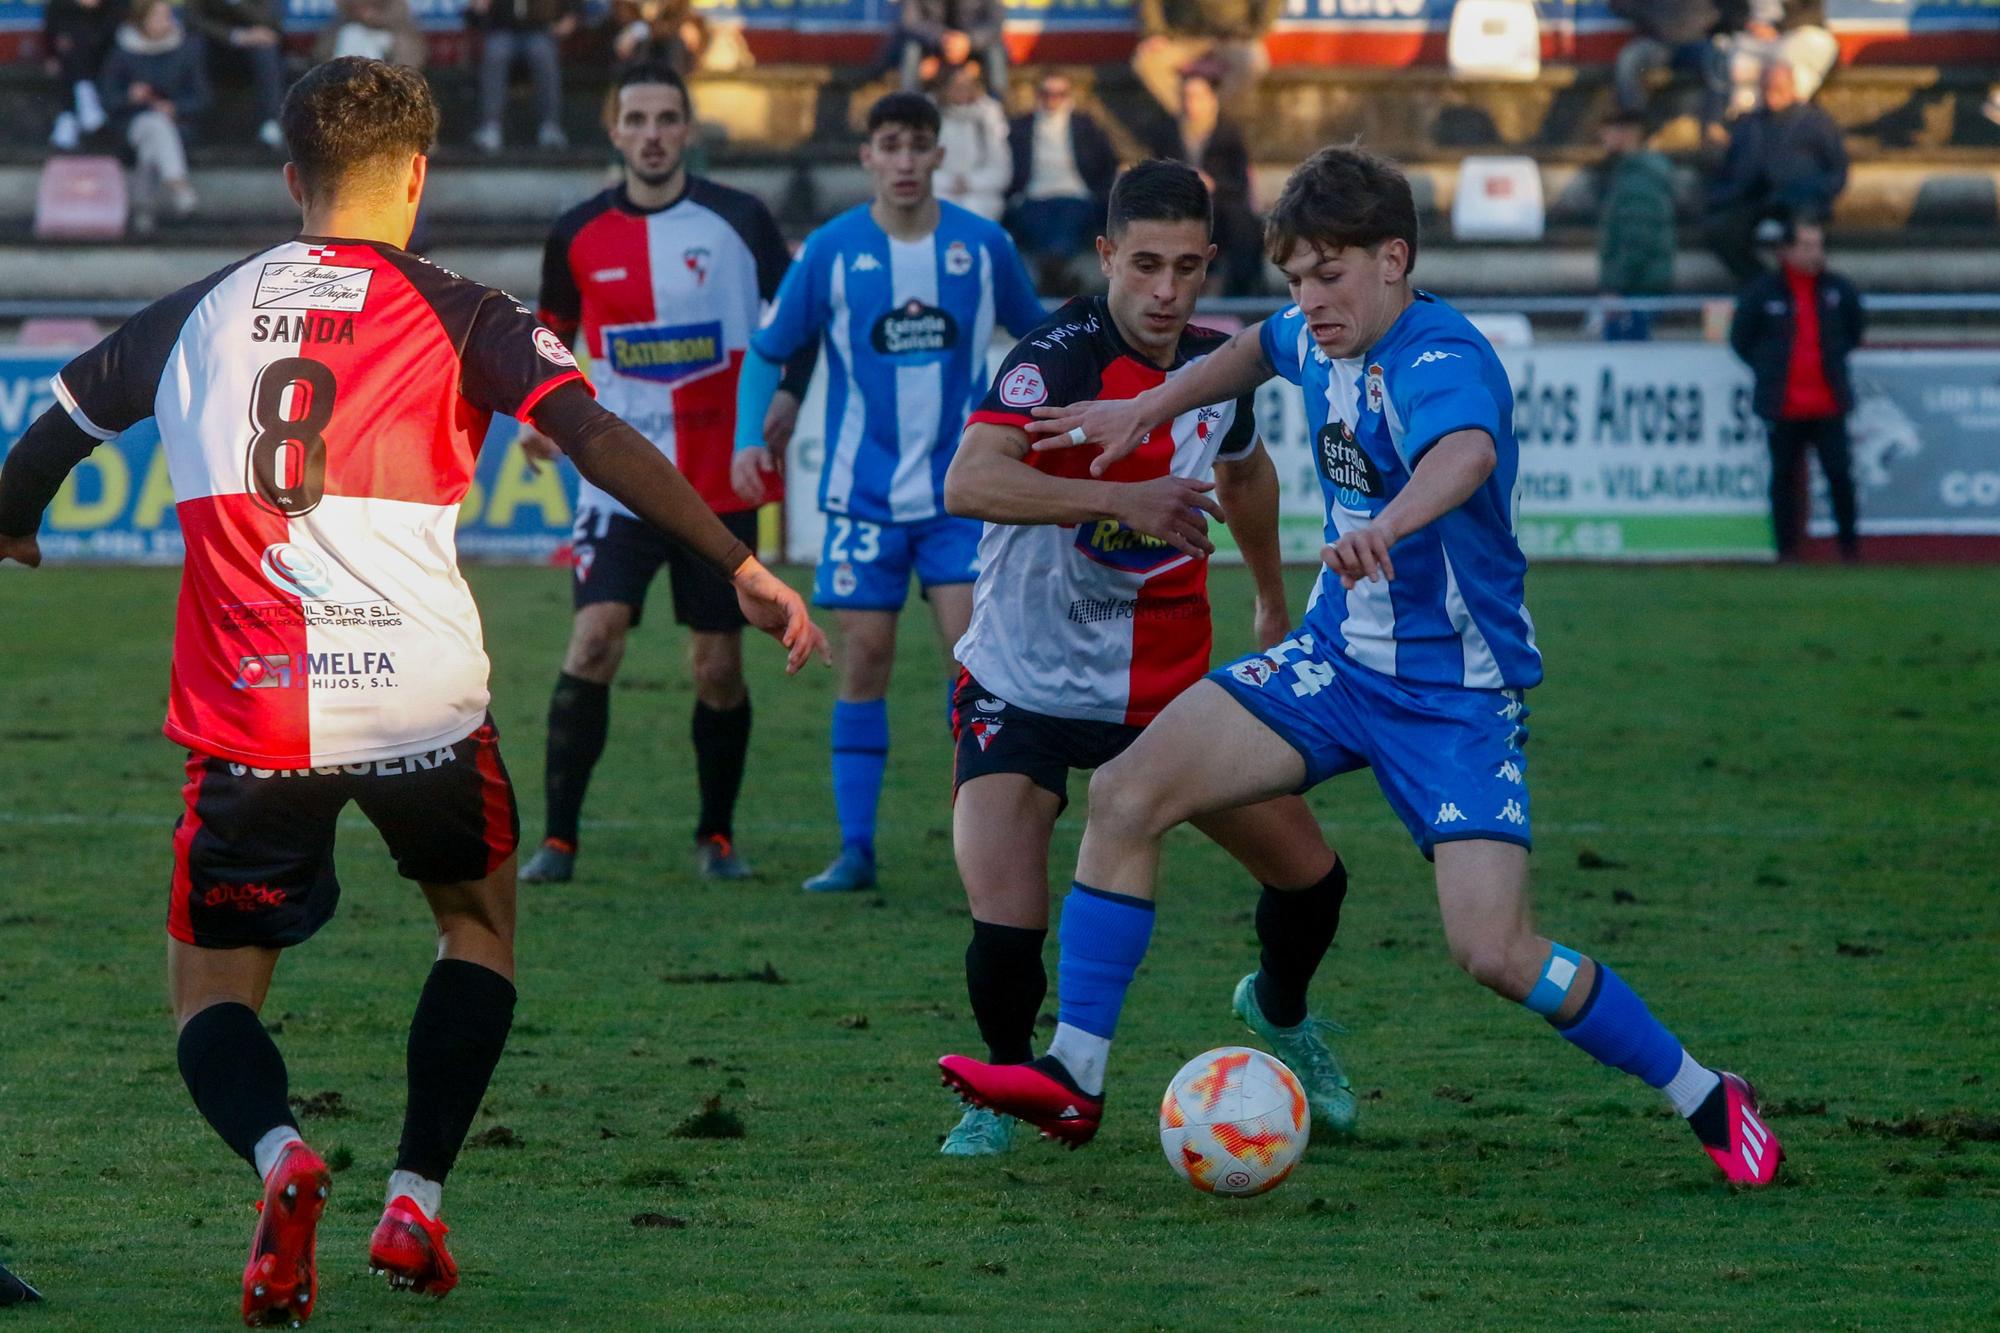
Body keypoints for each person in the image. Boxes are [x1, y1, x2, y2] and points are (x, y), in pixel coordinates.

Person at [0, 57, 826, 1325]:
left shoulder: (199, 309)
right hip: (422, 707)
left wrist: (16, 521)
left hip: (256, 713)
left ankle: (282, 1157)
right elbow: (599, 434)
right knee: (476, 926)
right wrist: (742, 564)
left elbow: (51, 431)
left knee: (211, 993)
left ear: (290, 180)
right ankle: (417, 1196)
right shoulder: (464, 311)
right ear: (420, 180)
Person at [944, 146, 1786, 1189]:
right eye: (1295, 276)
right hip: (1333, 666)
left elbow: (1462, 454)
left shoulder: (1439, 359)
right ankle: (1073, 1074)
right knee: (1124, 794)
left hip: (1450, 700)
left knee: (1493, 949)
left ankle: (1705, 1093)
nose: (1309, 300)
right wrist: (1144, 411)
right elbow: (1255, 348)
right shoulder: (1316, 329)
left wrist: (1387, 521)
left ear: (1394, 258)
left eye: (1328, 276)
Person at [935, 160, 1356, 1156]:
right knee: (1005, 919)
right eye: (1144, 267)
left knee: (1312, 881)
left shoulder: (1216, 367)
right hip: (1021, 684)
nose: (1165, 292)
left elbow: (1244, 472)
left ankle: (1283, 1011)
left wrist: (1264, 593)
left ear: (1209, 263)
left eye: (1185, 268)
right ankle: (1004, 1088)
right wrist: (1116, 498)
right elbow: (969, 478)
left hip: (1165, 694)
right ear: (1105, 259)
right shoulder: (1059, 359)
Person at [732, 91, 1045, 894]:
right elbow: (769, 349)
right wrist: (745, 439)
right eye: (890, 146)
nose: (905, 161)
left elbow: (1043, 339)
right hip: (863, 495)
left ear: (941, 155)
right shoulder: (833, 251)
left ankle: (987, 844)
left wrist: (1057, 428)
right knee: (862, 660)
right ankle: (856, 850)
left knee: (973, 666)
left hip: (961, 499)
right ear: (867, 157)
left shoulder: (983, 246)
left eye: (918, 145)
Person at [516, 61, 817, 885]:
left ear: (687, 130)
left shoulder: (741, 220)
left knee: (717, 665)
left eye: (666, 119)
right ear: (615, 132)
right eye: (636, 119)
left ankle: (716, 837)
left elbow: (798, 324)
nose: (652, 134)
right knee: (594, 637)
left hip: (717, 486)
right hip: (616, 483)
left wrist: (785, 398)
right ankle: (560, 841)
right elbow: (545, 337)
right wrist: (542, 417)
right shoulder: (576, 230)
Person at [1728, 216, 1863, 561]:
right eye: (1806, 245)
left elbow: (1854, 330)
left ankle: (1849, 550)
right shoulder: (1763, 292)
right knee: (1784, 478)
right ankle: (1786, 551)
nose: (1815, 253)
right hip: (1783, 404)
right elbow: (1741, 339)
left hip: (1828, 402)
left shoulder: (1838, 288)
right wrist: (1769, 370)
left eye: (1818, 245)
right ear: (1785, 251)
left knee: (1839, 475)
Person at [1704, 61, 1847, 285]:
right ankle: (1765, 284)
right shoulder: (1749, 124)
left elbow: (1838, 169)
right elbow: (1730, 170)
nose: (1772, 94)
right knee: (1721, 230)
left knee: (1802, 231)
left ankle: (1804, 284)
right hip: (1756, 198)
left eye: (1778, 87)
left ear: (1791, 86)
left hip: (1802, 199)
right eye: (1767, 87)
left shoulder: (1816, 122)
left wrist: (1816, 192)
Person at [97, 0, 209, 227]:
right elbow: (107, 98)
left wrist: (174, 107)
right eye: (158, 17)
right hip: (131, 123)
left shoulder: (184, 49)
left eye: (167, 16)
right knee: (153, 124)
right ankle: (179, 186)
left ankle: (144, 209)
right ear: (143, 22)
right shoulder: (122, 52)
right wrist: (130, 96)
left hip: (176, 124)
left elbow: (202, 97)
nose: (166, 22)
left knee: (153, 141)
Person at [1003, 72, 1117, 292]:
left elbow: (1107, 161)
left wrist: (1101, 189)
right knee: (1036, 222)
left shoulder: (1086, 125)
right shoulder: (1020, 126)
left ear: (1068, 96)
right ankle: (1058, 272)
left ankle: (1051, 271)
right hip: (1033, 195)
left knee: (1069, 221)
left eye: (1060, 94)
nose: (1053, 99)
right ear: (1038, 95)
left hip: (1076, 193)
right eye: (1047, 93)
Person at [1150, 71, 1260, 296]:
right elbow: (1156, 174)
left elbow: (1239, 180)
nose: (1191, 103)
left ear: (1212, 98)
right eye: (1187, 96)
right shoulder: (1167, 131)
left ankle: (1240, 291)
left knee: (1243, 223)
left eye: (1198, 96)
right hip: (1179, 203)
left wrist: (1212, 183)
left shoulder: (1228, 131)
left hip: (1221, 203)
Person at [1595, 110, 1677, 341]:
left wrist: (1615, 288)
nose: (1602, 137)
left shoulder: (1637, 180)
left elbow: (1636, 238)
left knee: (1626, 361)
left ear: (1628, 134)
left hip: (1634, 294)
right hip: (1640, 289)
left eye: (1608, 130)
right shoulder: (1635, 175)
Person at [1130, 0, 1280, 119]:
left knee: (1254, 62)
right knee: (1146, 62)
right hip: (1180, 35)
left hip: (1231, 36)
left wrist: (1257, 29)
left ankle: (1211, 119)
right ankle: (1187, 118)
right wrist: (1154, 31)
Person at [466, 0, 577, 153]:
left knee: (543, 54)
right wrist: (478, 9)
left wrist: (570, 17)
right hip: (501, 30)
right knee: (495, 54)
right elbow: (472, 15)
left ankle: (550, 127)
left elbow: (574, 8)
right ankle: (490, 128)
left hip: (540, 30)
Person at [1608, 0, 1734, 133]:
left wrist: (1716, 20)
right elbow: (1620, 6)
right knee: (1628, 60)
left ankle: (1714, 124)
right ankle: (1635, 123)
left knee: (1718, 57)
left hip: (1696, 41)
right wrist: (1648, 15)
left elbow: (1733, 9)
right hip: (1657, 41)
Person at [189, 0, 289, 148]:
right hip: (215, 43)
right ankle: (198, 114)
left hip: (252, 45)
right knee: (195, 44)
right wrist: (235, 36)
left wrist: (237, 3)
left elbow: (270, 21)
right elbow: (193, 20)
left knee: (266, 47)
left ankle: (270, 122)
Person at [1722, 0, 1838, 116]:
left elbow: (1812, 13)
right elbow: (1727, 9)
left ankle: (1793, 113)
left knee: (1814, 49)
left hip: (1791, 35)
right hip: (1749, 38)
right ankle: (1746, 119)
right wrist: (1750, 25)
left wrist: (1777, 28)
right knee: (1735, 65)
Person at [933, 58, 1011, 222]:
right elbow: (920, 163)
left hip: (981, 193)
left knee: (973, 213)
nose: (962, 90)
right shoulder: (930, 113)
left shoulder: (990, 113)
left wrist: (970, 182)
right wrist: (948, 182)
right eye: (955, 85)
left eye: (967, 84)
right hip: (939, 190)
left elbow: (1002, 169)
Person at [880, 0, 1006, 101]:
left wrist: (968, 42)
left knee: (994, 50)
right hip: (931, 46)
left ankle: (997, 105)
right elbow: (909, 23)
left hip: (973, 48)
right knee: (911, 48)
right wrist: (942, 38)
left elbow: (995, 24)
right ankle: (910, 104)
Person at [43, 0, 118, 150]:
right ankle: (84, 98)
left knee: (79, 44)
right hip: (71, 56)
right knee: (71, 46)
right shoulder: (61, 6)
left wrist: (96, 6)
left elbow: (118, 22)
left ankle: (68, 116)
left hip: (107, 54)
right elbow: (52, 26)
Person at [312, 0, 425, 69]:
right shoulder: (345, 24)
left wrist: (371, 17)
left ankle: (372, 80)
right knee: (353, 34)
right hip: (353, 36)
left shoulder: (396, 6)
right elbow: (324, 48)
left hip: (391, 41)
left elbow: (399, 19)